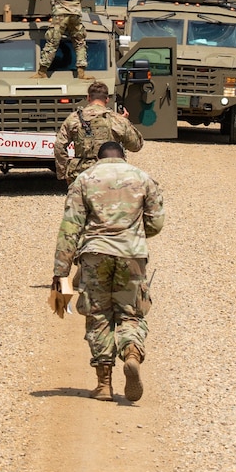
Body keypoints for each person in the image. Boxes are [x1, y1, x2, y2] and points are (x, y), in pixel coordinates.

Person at [51, 140, 164, 402]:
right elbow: (156, 222)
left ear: (98, 158)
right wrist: (134, 235)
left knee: (98, 314)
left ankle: (104, 385)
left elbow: (70, 228)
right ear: (123, 156)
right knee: (130, 312)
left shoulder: (84, 179)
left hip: (95, 255)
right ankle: (132, 353)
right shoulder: (143, 178)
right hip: (132, 255)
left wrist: (61, 272)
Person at [54, 79, 142, 182]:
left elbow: (59, 146)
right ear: (107, 99)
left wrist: (65, 171)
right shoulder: (117, 120)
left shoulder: (74, 118)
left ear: (88, 98)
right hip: (111, 174)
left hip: (81, 175)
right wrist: (125, 122)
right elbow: (136, 145)